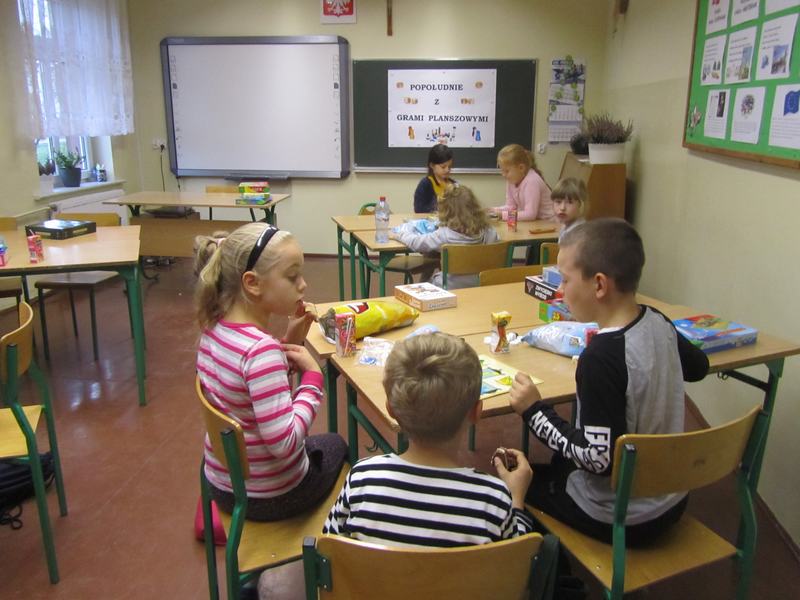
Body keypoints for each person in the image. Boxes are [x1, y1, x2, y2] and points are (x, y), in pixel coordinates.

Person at [509, 219, 709, 545]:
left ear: (599, 285)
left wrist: (534, 411)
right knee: (560, 462)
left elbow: (598, 460)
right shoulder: (658, 320)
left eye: (566, 280)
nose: (560, 291)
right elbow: (699, 367)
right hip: (672, 496)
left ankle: (550, 564)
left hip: (621, 515)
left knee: (514, 481)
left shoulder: (600, 358)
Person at [194, 222, 347, 521]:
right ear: (252, 283)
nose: (303, 285)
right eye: (292, 276)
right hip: (270, 496)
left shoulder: (213, 327)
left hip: (223, 484)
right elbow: (284, 444)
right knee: (336, 445)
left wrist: (289, 342)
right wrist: (313, 379)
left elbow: (247, 388)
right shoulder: (260, 351)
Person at [323, 332, 534, 547]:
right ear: (476, 412)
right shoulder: (493, 499)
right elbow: (519, 557)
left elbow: (329, 547)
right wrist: (516, 500)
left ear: (391, 409)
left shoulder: (362, 479)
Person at [391, 184, 499, 289]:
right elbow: (496, 244)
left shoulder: (444, 235)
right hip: (480, 284)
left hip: (448, 287)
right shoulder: (489, 232)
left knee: (422, 285)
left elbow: (416, 243)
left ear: (446, 210)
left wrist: (399, 234)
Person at [491, 143, 554, 222]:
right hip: (537, 222)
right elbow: (511, 206)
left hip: (549, 222)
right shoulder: (511, 180)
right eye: (502, 171)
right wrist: (494, 210)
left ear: (521, 168)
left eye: (507, 171)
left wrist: (502, 215)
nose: (503, 175)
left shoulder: (532, 181)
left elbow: (530, 215)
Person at [414, 143, 455, 213]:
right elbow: (419, 210)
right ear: (432, 165)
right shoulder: (425, 184)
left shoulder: (454, 184)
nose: (447, 170)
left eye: (450, 167)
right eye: (443, 167)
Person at [551, 177, 588, 242]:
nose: (562, 208)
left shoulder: (579, 232)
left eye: (569, 202)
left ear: (581, 205)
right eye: (558, 202)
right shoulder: (565, 227)